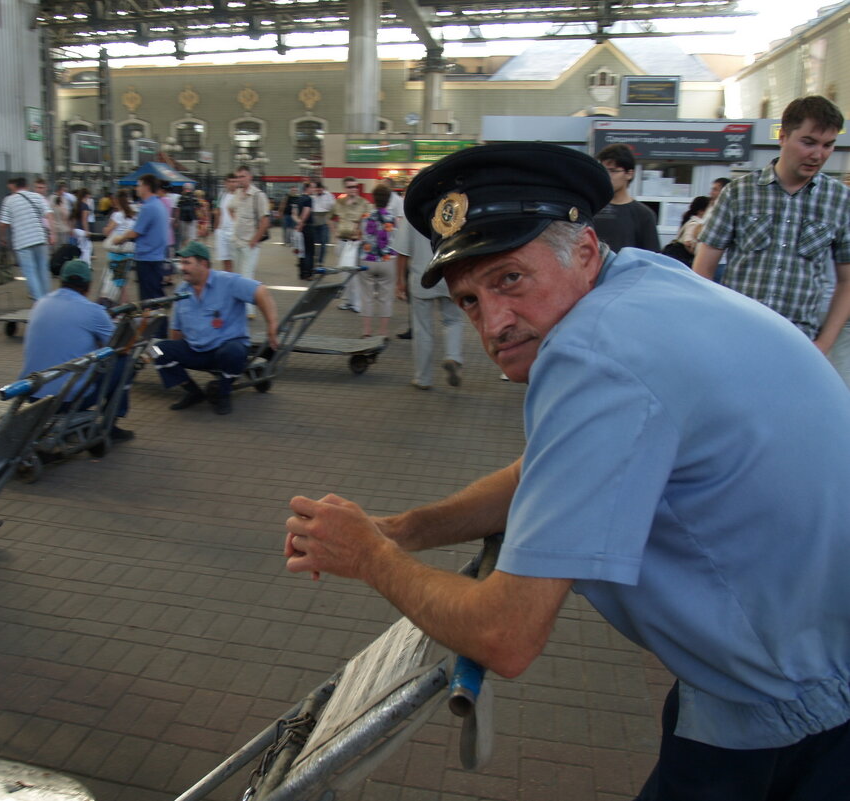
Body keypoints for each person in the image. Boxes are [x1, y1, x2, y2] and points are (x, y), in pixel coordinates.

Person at [283, 142, 850, 800]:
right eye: (469, 300)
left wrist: (370, 557)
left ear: (581, 250)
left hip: (795, 699)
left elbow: (506, 634)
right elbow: (542, 471)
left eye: (510, 280)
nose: (493, 322)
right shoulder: (638, 282)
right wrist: (404, 529)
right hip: (795, 654)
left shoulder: (595, 353)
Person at [694, 95, 850, 355]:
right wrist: (711, 327)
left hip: (800, 343)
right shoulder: (739, 192)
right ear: (783, 136)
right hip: (737, 335)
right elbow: (703, 270)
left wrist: (824, 344)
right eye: (808, 142)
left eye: (828, 145)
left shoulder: (840, 200)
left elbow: (847, 282)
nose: (818, 154)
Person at [152, 241, 278, 416]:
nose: (182, 268)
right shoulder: (182, 291)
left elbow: (261, 292)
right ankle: (193, 392)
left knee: (232, 352)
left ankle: (223, 393)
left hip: (226, 349)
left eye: (187, 263)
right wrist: (172, 359)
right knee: (155, 350)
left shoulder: (227, 281)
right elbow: (176, 331)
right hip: (196, 350)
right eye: (181, 263)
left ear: (203, 264)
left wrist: (271, 325)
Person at [19, 259, 133, 441]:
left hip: (32, 394)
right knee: (126, 362)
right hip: (66, 399)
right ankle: (111, 425)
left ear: (61, 281)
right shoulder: (93, 311)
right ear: (88, 286)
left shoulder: (40, 303)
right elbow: (122, 347)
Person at [395, 219, 464, 390]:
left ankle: (423, 378)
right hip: (450, 276)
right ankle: (453, 357)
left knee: (422, 329)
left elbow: (402, 251)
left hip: (422, 277)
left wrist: (400, 281)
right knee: (453, 320)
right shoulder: (457, 208)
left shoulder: (413, 213)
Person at [592, 143, 660, 253]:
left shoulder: (643, 215)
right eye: (603, 170)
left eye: (613, 171)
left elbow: (651, 259)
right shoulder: (592, 209)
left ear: (629, 174)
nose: (606, 176)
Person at [0, 176, 54, 302]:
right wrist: (52, 234)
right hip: (40, 238)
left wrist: (1, 237)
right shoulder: (37, 197)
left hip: (22, 242)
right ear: (26, 186)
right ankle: (47, 301)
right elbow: (49, 215)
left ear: (14, 186)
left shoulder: (9, 200)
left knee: (30, 272)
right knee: (43, 270)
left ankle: (39, 301)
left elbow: (2, 223)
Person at [120, 174, 170, 302]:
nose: (136, 188)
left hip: (147, 258)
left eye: (138, 185)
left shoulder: (148, 208)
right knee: (156, 295)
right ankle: (160, 320)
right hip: (157, 256)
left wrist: (119, 238)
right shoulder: (159, 204)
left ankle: (155, 321)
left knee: (148, 299)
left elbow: (135, 232)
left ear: (146, 187)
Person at [227, 166, 270, 311]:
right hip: (237, 241)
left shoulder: (258, 195)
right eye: (238, 176)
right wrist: (235, 223)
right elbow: (230, 207)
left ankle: (248, 310)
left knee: (247, 276)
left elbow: (265, 221)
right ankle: (241, 307)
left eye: (243, 176)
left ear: (250, 177)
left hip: (249, 243)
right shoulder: (237, 193)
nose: (240, 179)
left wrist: (254, 240)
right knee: (239, 275)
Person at [356, 184, 397, 338]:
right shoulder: (392, 218)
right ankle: (383, 332)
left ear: (373, 199)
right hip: (388, 261)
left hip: (367, 260)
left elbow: (360, 237)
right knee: (385, 297)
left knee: (366, 296)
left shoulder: (366, 217)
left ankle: (366, 331)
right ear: (388, 199)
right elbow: (395, 238)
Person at [332, 177, 372, 311]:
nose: (354, 189)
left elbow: (370, 220)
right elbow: (330, 218)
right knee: (344, 273)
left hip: (355, 244)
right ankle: (348, 301)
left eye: (355, 186)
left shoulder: (364, 203)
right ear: (345, 188)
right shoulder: (339, 203)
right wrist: (334, 232)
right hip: (342, 242)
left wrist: (361, 233)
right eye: (350, 187)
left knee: (355, 274)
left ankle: (357, 303)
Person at [102, 189, 136, 305]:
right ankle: (124, 304)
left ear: (116, 200)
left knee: (115, 280)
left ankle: (123, 305)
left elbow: (107, 231)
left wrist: (106, 229)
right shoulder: (132, 215)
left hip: (116, 251)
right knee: (122, 281)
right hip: (129, 251)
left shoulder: (117, 215)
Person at [659, 195, 711, 266]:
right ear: (701, 211)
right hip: (681, 257)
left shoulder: (691, 221)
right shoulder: (694, 224)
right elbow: (688, 242)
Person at [214, 173, 238, 271]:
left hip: (234, 231)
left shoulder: (240, 195)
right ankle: (227, 279)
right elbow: (218, 211)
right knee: (225, 259)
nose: (232, 184)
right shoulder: (222, 195)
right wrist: (216, 229)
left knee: (236, 259)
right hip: (222, 231)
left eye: (234, 182)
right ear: (225, 183)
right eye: (230, 182)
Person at [294, 181, 316, 281]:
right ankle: (308, 274)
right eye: (312, 188)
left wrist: (298, 223)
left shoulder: (299, 198)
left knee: (301, 251)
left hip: (300, 227)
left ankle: (302, 274)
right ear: (307, 188)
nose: (314, 190)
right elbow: (306, 212)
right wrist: (302, 223)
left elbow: (293, 213)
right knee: (309, 252)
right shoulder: (308, 199)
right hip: (307, 227)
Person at [310, 182, 334, 270]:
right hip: (314, 221)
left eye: (320, 190)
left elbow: (333, 207)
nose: (318, 191)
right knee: (315, 243)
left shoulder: (329, 196)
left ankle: (320, 262)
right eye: (317, 190)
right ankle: (315, 261)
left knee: (324, 242)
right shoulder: (312, 196)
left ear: (323, 189)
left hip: (324, 221)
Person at [70, 187, 93, 266]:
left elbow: (73, 219)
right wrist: (87, 231)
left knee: (80, 248)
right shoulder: (85, 206)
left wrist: (72, 229)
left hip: (76, 230)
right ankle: (86, 265)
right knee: (87, 248)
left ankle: (79, 264)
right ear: (86, 195)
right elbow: (84, 220)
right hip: (82, 230)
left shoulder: (77, 205)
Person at [176, 182, 199, 247]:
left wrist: (177, 220)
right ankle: (190, 249)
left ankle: (184, 248)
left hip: (182, 218)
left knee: (183, 236)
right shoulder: (194, 197)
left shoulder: (181, 197)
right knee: (191, 236)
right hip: (192, 218)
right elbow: (197, 207)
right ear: (192, 189)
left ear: (183, 188)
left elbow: (178, 209)